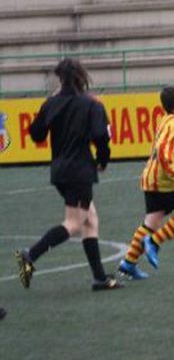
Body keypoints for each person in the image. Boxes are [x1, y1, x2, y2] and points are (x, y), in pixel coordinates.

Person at [14, 58, 121, 291]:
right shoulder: (91, 105)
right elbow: (101, 137)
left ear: (60, 79)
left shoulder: (52, 103)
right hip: (80, 170)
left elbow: (36, 134)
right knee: (74, 223)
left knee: (90, 219)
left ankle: (100, 278)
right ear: (82, 77)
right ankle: (29, 255)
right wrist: (102, 161)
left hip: (60, 171)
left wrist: (49, 104)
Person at [117, 85, 174, 279]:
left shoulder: (167, 121)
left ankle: (128, 263)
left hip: (151, 179)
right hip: (166, 181)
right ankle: (154, 242)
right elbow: (163, 151)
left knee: (151, 221)